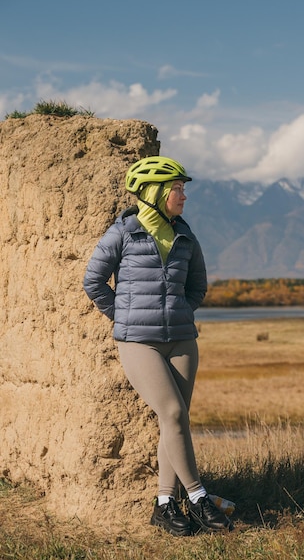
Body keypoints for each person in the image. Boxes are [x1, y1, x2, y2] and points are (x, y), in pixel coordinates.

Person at [83, 156, 233, 536]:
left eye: (183, 189)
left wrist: (182, 309)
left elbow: (197, 284)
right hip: (139, 342)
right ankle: (198, 497)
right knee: (171, 411)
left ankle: (165, 504)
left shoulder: (184, 233)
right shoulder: (123, 232)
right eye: (177, 188)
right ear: (154, 192)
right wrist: (124, 316)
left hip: (182, 340)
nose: (183, 196)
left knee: (176, 419)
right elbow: (94, 281)